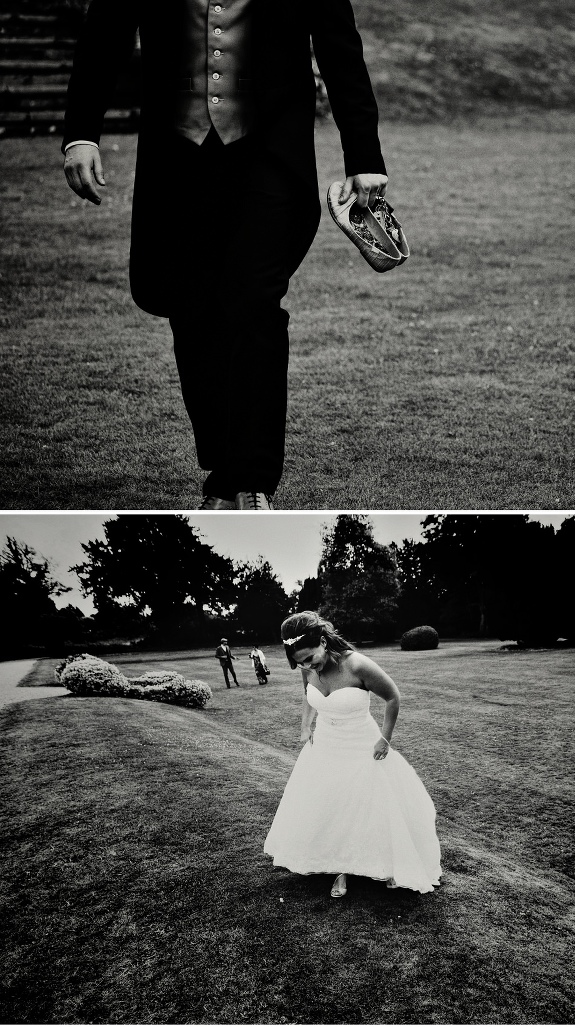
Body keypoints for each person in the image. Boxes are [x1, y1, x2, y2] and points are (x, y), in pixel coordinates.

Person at [61, 2, 388, 510]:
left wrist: (364, 155)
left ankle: (249, 480)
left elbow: (341, 49)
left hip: (270, 152)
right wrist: (81, 132)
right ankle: (223, 465)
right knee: (193, 310)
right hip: (178, 154)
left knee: (254, 301)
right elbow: (107, 28)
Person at [263, 611, 442, 897]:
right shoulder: (308, 669)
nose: (307, 666)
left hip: (362, 744)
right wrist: (306, 726)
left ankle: (390, 864)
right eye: (300, 663)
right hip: (326, 745)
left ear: (323, 642)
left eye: (309, 658)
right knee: (332, 805)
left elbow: (393, 697)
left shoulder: (357, 665)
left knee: (372, 805)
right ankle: (340, 867)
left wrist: (385, 738)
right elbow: (307, 693)